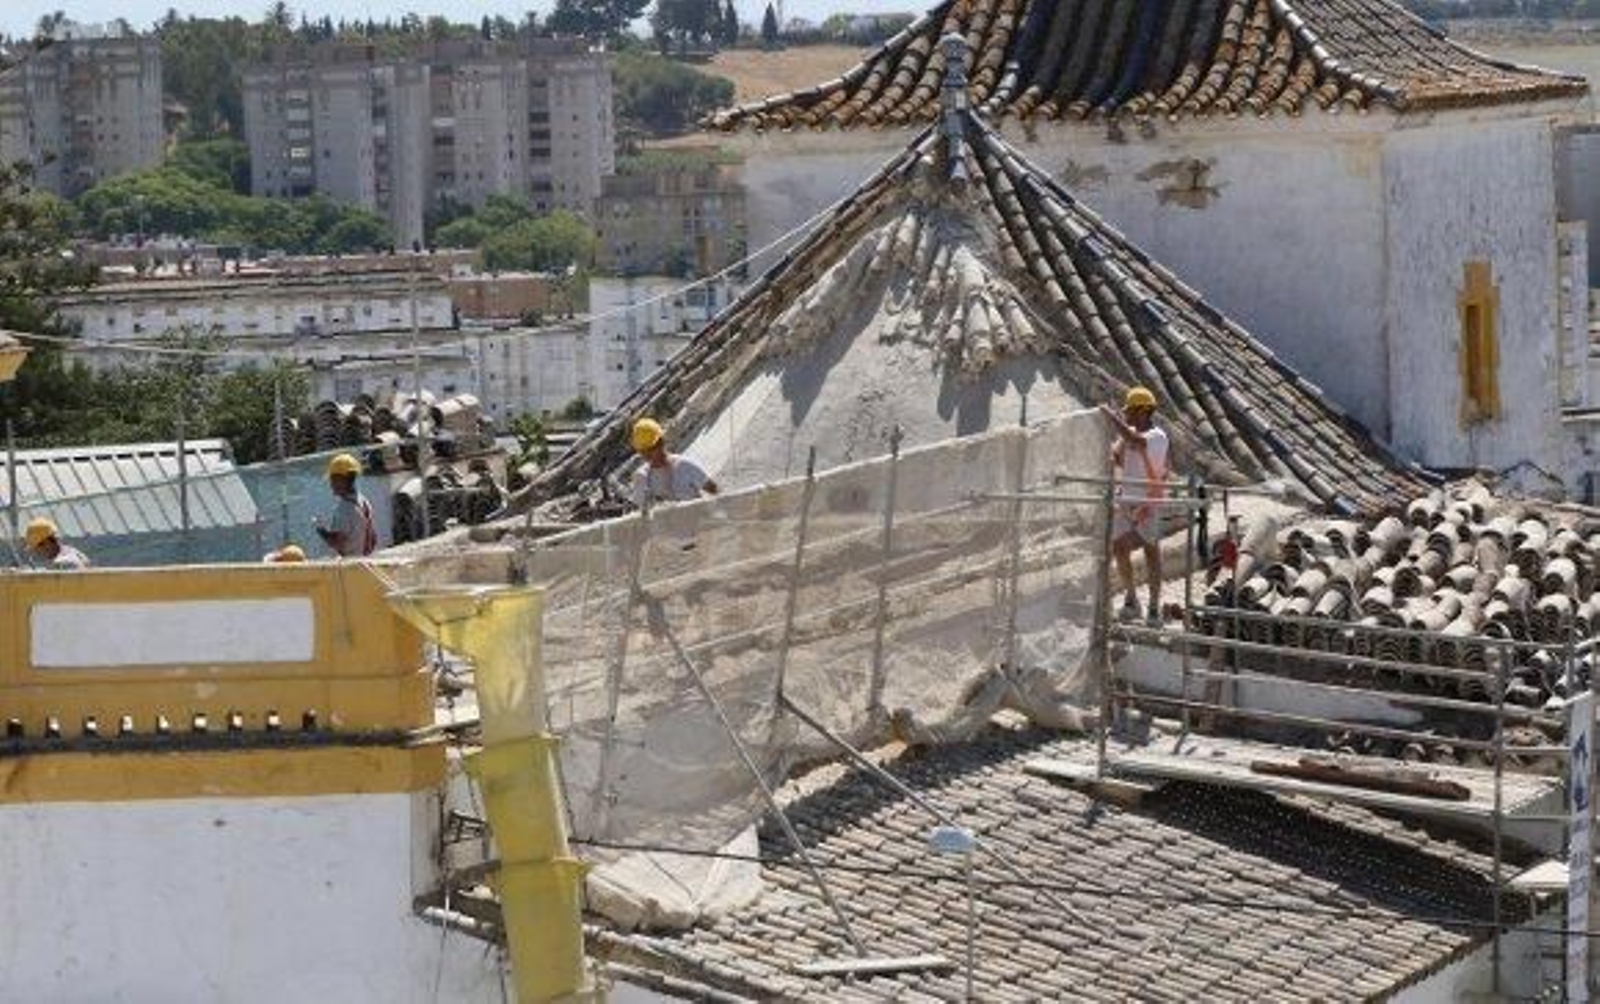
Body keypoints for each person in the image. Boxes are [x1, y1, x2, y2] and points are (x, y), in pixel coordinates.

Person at [1101, 386, 1169, 625]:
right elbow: (1120, 457)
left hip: (1147, 502)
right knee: (1119, 548)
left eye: (1130, 411)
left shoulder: (1157, 436)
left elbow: (1137, 442)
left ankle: (1153, 604)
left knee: (1151, 551)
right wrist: (1115, 449)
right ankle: (1131, 597)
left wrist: (1112, 419)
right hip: (1127, 501)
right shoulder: (1128, 433)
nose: (1127, 415)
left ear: (1142, 411)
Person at [630, 418, 719, 507]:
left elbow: (716, 491)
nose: (647, 455)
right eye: (643, 451)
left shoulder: (684, 466)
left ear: (661, 442)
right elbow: (642, 513)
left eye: (651, 449)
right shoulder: (642, 478)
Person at [315, 453, 377, 558]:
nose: (331, 484)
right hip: (365, 560)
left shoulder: (345, 509)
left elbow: (338, 543)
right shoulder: (364, 501)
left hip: (350, 566)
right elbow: (373, 538)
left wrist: (321, 531)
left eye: (333, 479)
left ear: (342, 480)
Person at [23, 517, 91, 570]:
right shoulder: (77, 554)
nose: (36, 552)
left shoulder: (61, 564)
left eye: (36, 548)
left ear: (47, 543)